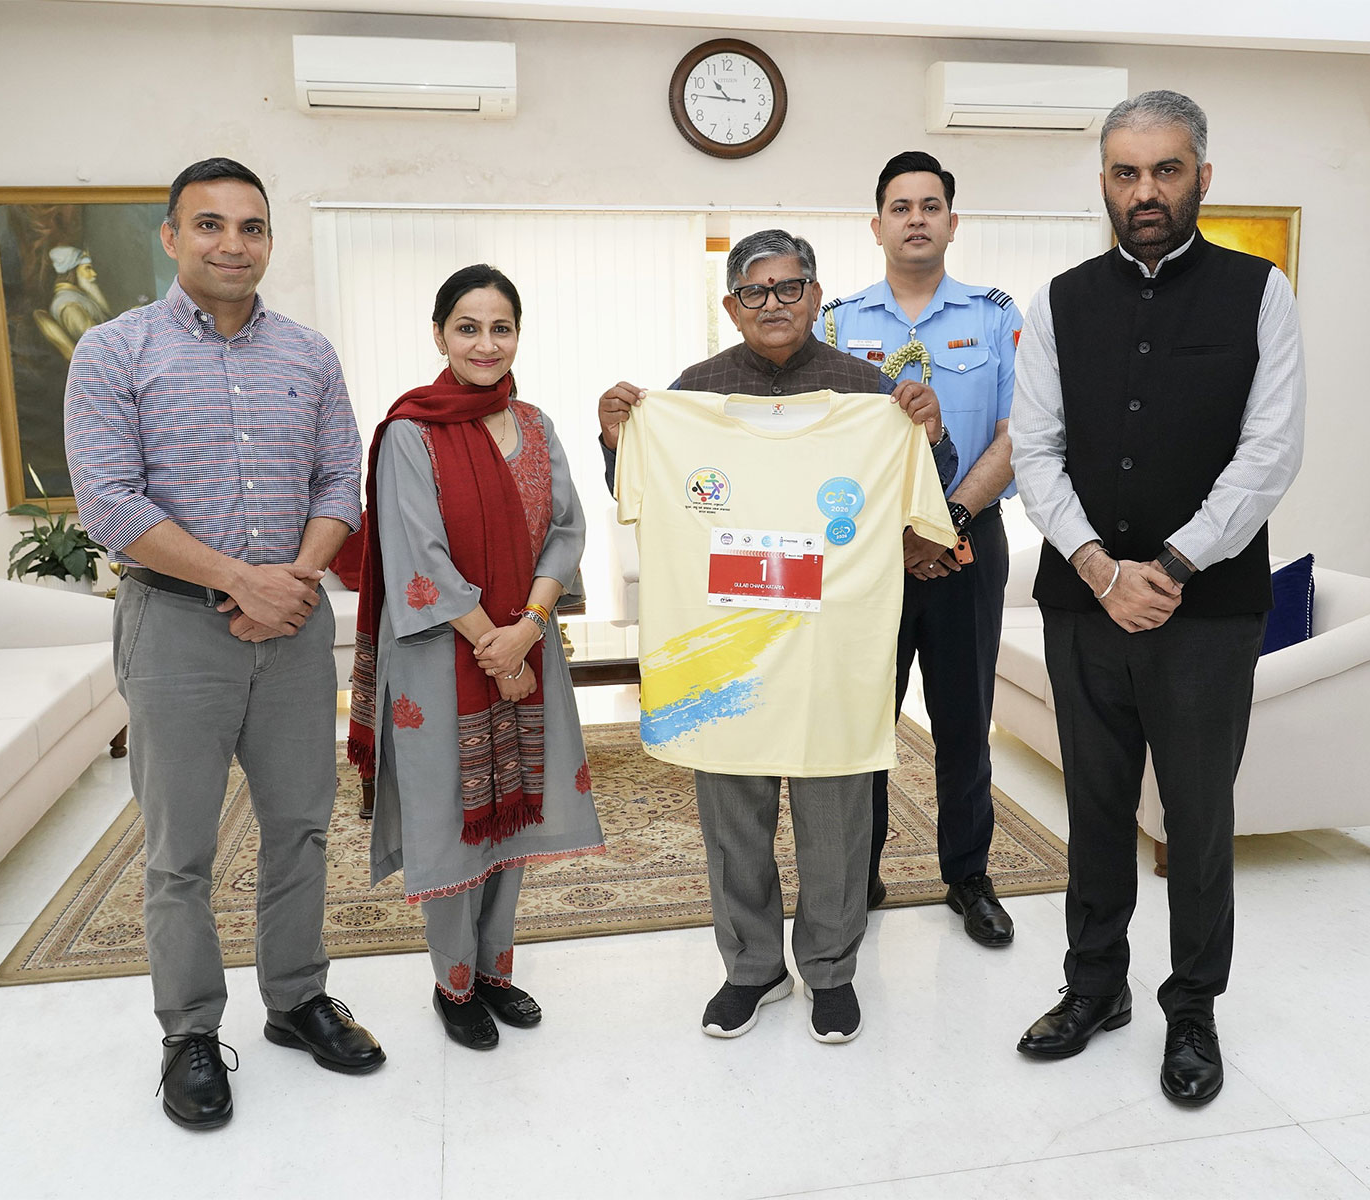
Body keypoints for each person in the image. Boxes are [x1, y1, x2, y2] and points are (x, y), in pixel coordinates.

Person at [65, 157, 384, 1131]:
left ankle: (294, 1001)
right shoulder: (114, 353)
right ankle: (191, 1035)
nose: (232, 244)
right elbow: (110, 503)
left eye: (251, 227)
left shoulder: (309, 355)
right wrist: (238, 580)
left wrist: (284, 585)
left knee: (300, 826)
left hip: (292, 632)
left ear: (269, 242)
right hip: (174, 629)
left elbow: (340, 484)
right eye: (209, 225)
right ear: (171, 237)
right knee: (178, 851)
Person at [1009, 91, 1305, 1106]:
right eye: (1126, 172)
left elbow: (1270, 452)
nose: (1145, 191)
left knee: (1195, 816)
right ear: (1103, 181)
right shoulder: (1056, 301)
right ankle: (1094, 989)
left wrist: (1172, 567)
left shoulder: (1259, 293)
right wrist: (1098, 567)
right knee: (1091, 807)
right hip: (1082, 606)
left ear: (1202, 178)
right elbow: (1036, 451)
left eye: (1166, 170)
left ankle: (1192, 1012)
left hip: (1208, 615)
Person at [596, 229, 954, 1044]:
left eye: (789, 288)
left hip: (834, 649)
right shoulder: (692, 394)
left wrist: (927, 431)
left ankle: (830, 969)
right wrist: (618, 435)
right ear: (731, 305)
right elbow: (635, 486)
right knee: (732, 814)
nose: (773, 305)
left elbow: (928, 500)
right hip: (724, 651)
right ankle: (751, 968)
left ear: (816, 297)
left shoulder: (872, 396)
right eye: (754, 292)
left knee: (835, 812)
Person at [348, 264, 605, 1053]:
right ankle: (452, 983)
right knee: (449, 817)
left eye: (500, 328)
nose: (485, 343)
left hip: (526, 648)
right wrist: (494, 644)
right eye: (468, 327)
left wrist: (526, 627)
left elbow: (567, 530)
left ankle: (495, 969)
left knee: (513, 809)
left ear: (517, 335)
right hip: (438, 656)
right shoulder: (409, 432)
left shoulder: (537, 424)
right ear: (439, 335)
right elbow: (415, 552)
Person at [822, 150, 1022, 947]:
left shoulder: (997, 314)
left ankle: (968, 877)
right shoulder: (836, 322)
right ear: (876, 225)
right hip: (869, 554)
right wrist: (899, 538)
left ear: (952, 222)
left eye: (930, 205)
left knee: (965, 720)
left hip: (969, 545)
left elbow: (1019, 436)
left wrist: (951, 524)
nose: (915, 218)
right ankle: (858, 870)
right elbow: (824, 446)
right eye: (900, 206)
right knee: (862, 721)